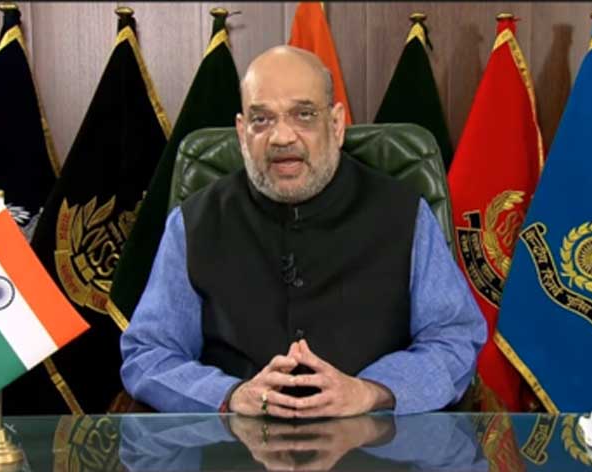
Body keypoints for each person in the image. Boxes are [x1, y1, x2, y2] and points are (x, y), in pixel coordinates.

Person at [120, 45, 486, 417]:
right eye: (261, 119)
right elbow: (149, 353)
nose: (281, 137)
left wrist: (372, 391)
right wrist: (231, 395)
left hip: (375, 441)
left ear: (336, 125)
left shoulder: (405, 214)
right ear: (242, 133)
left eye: (304, 114)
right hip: (233, 442)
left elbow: (454, 339)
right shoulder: (194, 222)